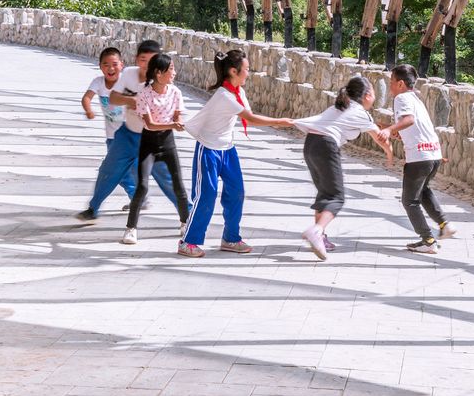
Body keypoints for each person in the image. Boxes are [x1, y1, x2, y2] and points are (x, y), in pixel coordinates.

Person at [179, 48, 293, 258]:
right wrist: (280, 122)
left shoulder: (237, 91)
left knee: (237, 193)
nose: (249, 73)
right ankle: (189, 241)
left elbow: (249, 116)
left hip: (228, 150)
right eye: (246, 69)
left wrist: (279, 123)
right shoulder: (224, 96)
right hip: (209, 150)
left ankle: (231, 238)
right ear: (233, 71)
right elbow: (250, 118)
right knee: (206, 195)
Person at [76, 40, 179, 221]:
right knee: (108, 171)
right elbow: (114, 98)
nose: (146, 64)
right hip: (127, 134)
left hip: (154, 138)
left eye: (152, 60)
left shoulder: (163, 83)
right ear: (136, 59)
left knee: (168, 180)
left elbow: (171, 113)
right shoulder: (129, 74)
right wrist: (132, 101)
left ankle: (188, 213)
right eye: (142, 59)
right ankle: (93, 208)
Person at [294, 74, 393, 261]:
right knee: (336, 197)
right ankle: (316, 230)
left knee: (325, 193)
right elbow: (379, 137)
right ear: (367, 96)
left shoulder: (339, 106)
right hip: (325, 146)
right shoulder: (360, 113)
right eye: (372, 91)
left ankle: (320, 237)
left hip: (310, 144)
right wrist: (390, 155)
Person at [377, 63, 456, 255]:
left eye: (392, 82)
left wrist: (389, 130)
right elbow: (414, 126)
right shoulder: (415, 99)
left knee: (409, 201)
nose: (391, 86)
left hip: (419, 157)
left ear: (401, 84)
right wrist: (394, 129)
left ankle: (428, 240)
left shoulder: (401, 98)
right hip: (433, 154)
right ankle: (444, 224)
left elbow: (409, 120)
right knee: (424, 191)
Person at [121, 53, 190, 245]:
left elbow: (178, 116)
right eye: (171, 69)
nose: (174, 73)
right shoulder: (144, 94)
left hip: (168, 143)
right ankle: (131, 229)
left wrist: (179, 123)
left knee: (179, 186)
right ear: (159, 73)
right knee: (142, 186)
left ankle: (185, 223)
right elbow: (150, 124)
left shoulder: (175, 92)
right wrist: (172, 125)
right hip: (149, 144)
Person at [80, 47, 136, 207]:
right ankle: (137, 197)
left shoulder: (126, 83)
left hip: (130, 134)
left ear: (122, 65)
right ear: (100, 66)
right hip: (112, 138)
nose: (110, 68)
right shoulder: (98, 82)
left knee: (124, 170)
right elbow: (86, 98)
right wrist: (88, 110)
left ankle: (136, 196)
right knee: (122, 172)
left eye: (114, 64)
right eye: (106, 64)